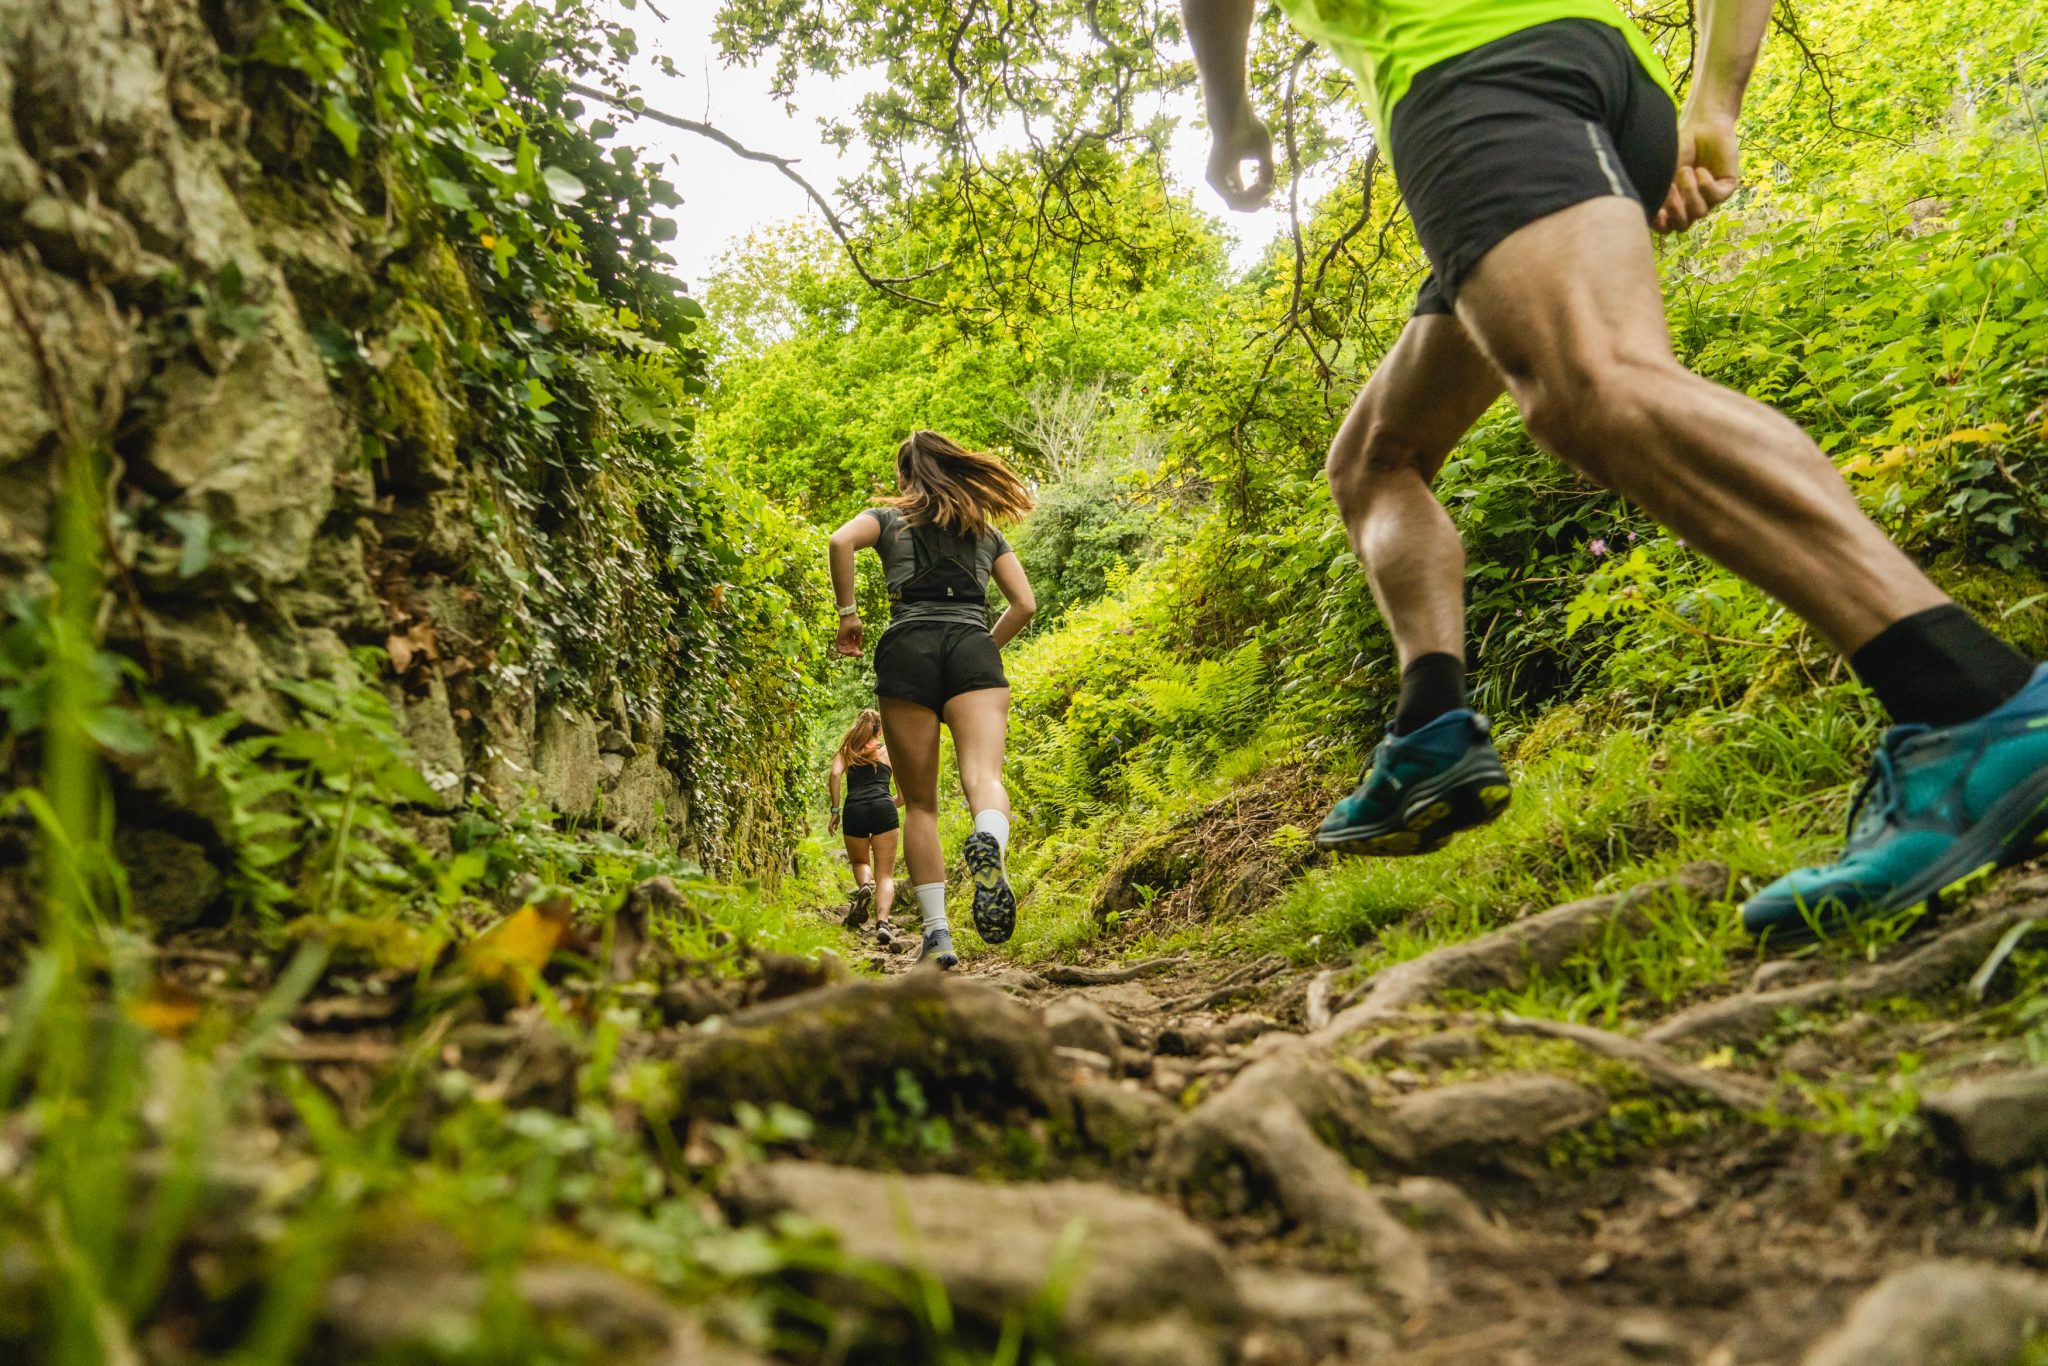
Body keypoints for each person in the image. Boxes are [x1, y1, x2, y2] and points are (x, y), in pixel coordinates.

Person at [1183, 0, 2048, 938]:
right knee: (1375, 460)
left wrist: (1229, 113)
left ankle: (1975, 701)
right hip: (1608, 81)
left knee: (1594, 383)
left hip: (1474, 80)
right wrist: (1711, 102)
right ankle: (1430, 725)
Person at [827, 431, 1038, 967]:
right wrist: (979, 650)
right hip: (972, 647)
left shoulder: (886, 519)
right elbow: (1025, 605)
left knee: (919, 805)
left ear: (904, 477)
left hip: (908, 649)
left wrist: (848, 613)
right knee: (984, 779)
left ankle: (938, 937)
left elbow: (838, 542)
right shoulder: (985, 531)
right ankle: (989, 837)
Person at [826, 708, 904, 934]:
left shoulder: (847, 751)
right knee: (886, 874)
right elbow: (903, 796)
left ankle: (865, 886)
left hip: (854, 810)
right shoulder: (889, 752)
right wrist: (887, 803)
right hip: (884, 808)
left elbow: (834, 776)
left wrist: (835, 810)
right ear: (879, 732)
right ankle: (882, 923)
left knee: (861, 862)